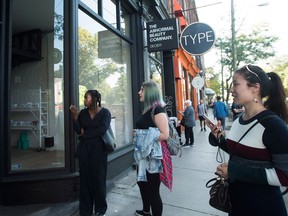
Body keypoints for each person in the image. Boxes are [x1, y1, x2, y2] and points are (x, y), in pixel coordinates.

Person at [207, 64, 288, 216]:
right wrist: (218, 137)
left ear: (255, 87)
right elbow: (240, 151)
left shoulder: (273, 125)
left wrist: (234, 171)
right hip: (236, 204)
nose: (231, 90)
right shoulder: (239, 120)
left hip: (264, 208)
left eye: (236, 84)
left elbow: (285, 175)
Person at [70, 90, 111, 216]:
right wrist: (75, 117)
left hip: (99, 152)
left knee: (99, 181)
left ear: (93, 99)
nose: (84, 100)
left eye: (86, 97)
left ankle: (100, 209)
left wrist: (85, 134)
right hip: (85, 152)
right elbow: (78, 130)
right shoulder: (82, 113)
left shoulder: (105, 113)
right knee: (85, 182)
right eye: (83, 98)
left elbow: (102, 129)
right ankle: (86, 210)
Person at [133, 80, 170, 216]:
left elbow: (165, 134)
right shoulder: (148, 110)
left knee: (153, 191)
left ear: (149, 92)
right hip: (143, 156)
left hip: (153, 158)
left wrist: (142, 134)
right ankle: (146, 210)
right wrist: (138, 133)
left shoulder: (158, 110)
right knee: (142, 183)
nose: (139, 92)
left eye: (142, 90)